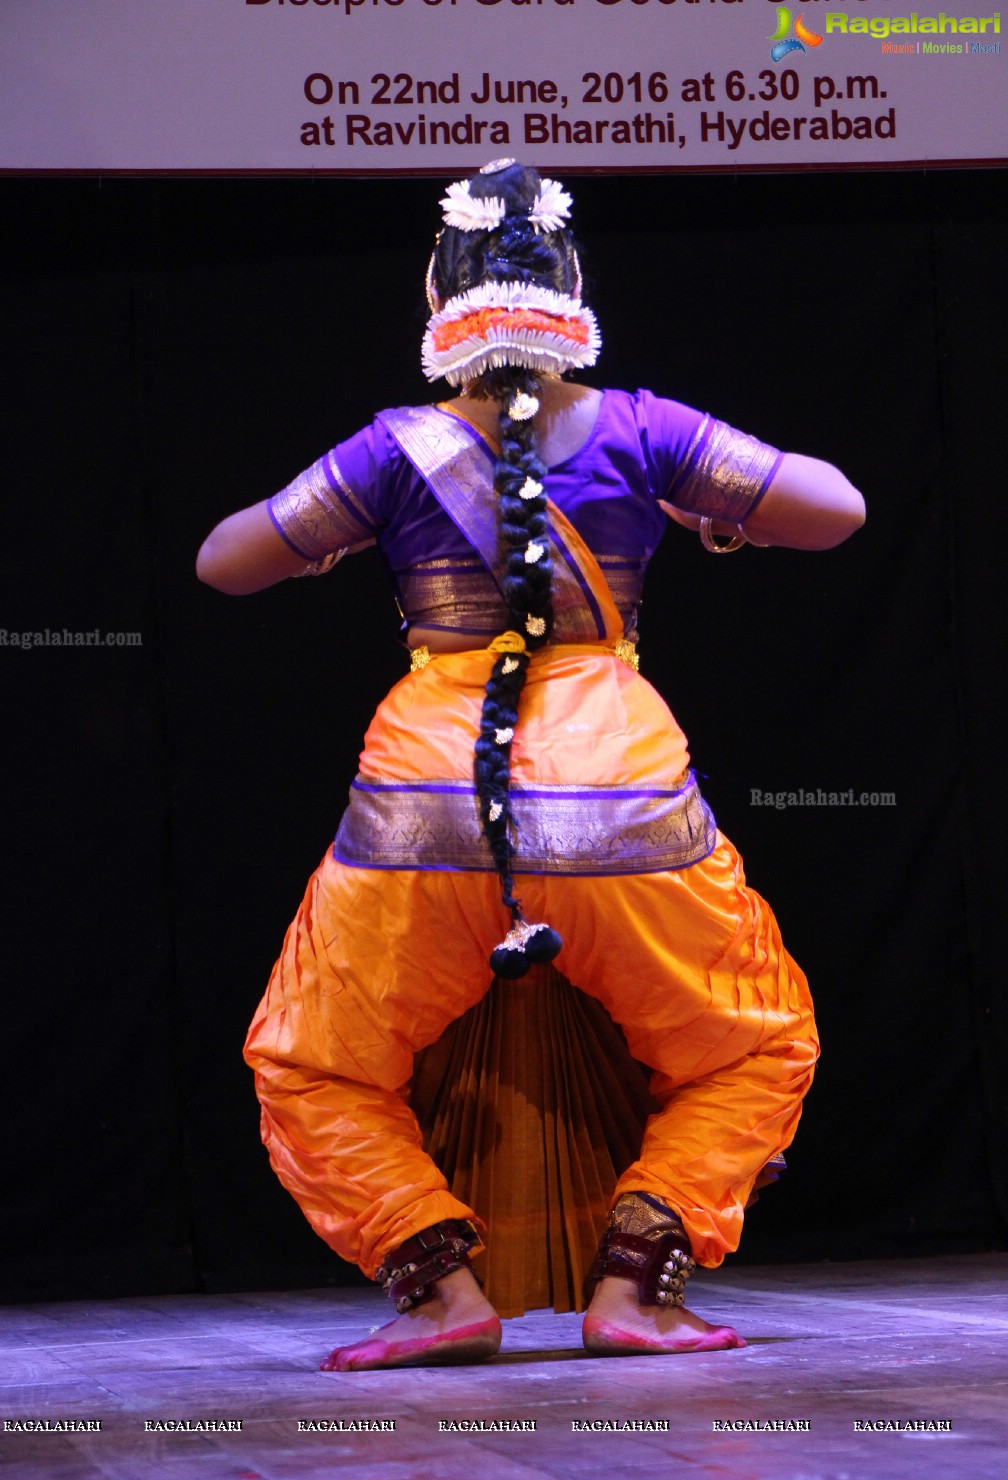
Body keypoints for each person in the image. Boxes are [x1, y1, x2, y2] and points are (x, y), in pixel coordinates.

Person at [197, 161, 864, 1372]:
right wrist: (710, 509)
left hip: (423, 813)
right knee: (751, 1043)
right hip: (624, 810)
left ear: (438, 304)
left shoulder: (393, 450)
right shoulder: (643, 429)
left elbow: (221, 563)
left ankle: (439, 1289)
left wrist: (331, 540)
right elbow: (838, 508)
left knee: (314, 1062)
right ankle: (635, 1280)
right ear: (570, 299)